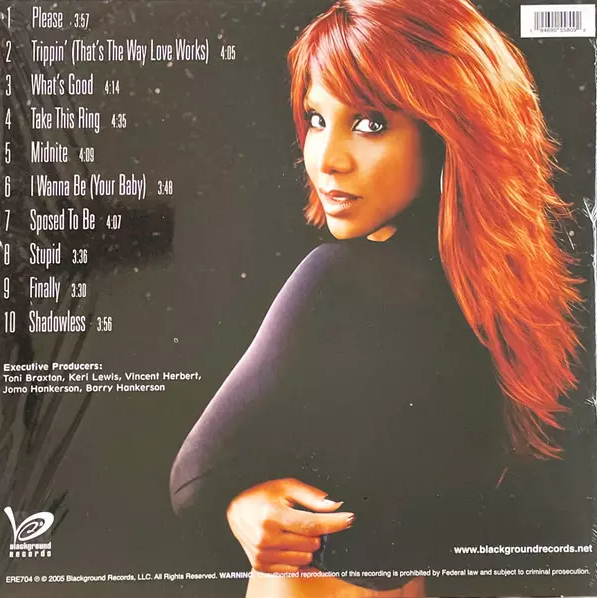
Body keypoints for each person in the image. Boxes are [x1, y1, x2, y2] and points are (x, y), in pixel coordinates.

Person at [170, 1, 591, 596]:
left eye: (370, 124)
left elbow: (191, 479)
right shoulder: (513, 303)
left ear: (448, 132)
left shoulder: (339, 280)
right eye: (316, 119)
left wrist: (235, 507)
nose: (327, 159)